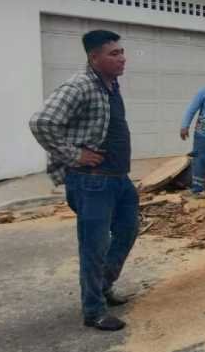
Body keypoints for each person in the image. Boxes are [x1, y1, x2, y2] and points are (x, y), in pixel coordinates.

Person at [29, 29, 137, 332]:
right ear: (94, 57)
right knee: (94, 246)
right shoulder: (80, 85)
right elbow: (41, 121)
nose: (122, 58)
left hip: (118, 178)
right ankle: (93, 310)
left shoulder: (111, 85)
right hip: (92, 182)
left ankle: (103, 286)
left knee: (128, 230)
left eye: (122, 52)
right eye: (113, 54)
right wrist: (74, 155)